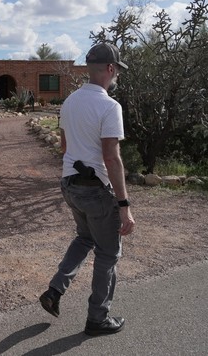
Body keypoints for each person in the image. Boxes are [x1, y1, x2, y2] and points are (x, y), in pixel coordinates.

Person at [39, 42, 135, 336]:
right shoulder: (109, 106)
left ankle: (55, 290)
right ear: (109, 69)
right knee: (108, 253)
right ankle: (97, 318)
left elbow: (65, 146)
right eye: (117, 68)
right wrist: (124, 206)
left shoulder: (69, 102)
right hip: (96, 189)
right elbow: (111, 157)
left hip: (70, 185)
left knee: (84, 238)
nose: (117, 73)